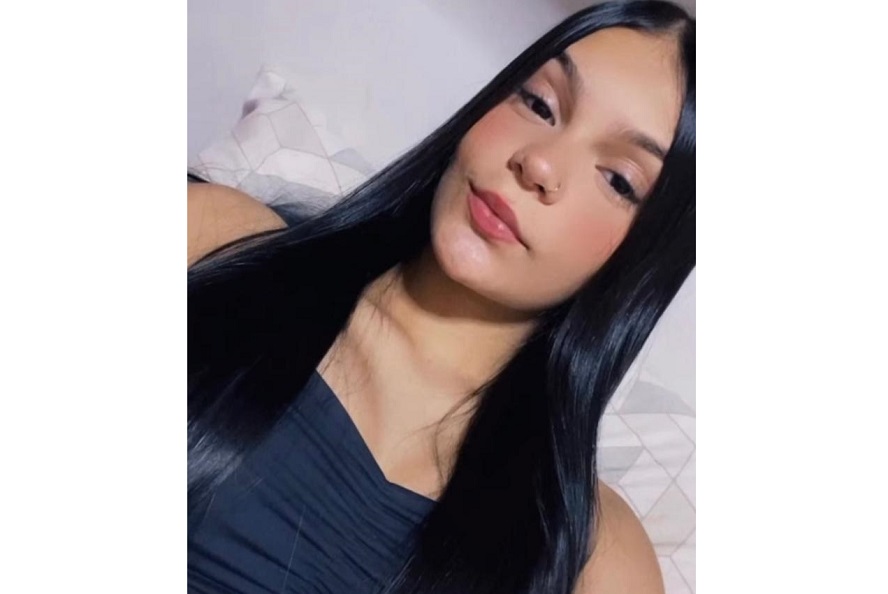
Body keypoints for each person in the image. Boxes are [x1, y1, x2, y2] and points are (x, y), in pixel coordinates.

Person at [187, 1, 695, 592]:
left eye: (618, 180)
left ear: (646, 262)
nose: (538, 162)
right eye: (539, 104)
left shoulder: (596, 560)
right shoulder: (216, 242)